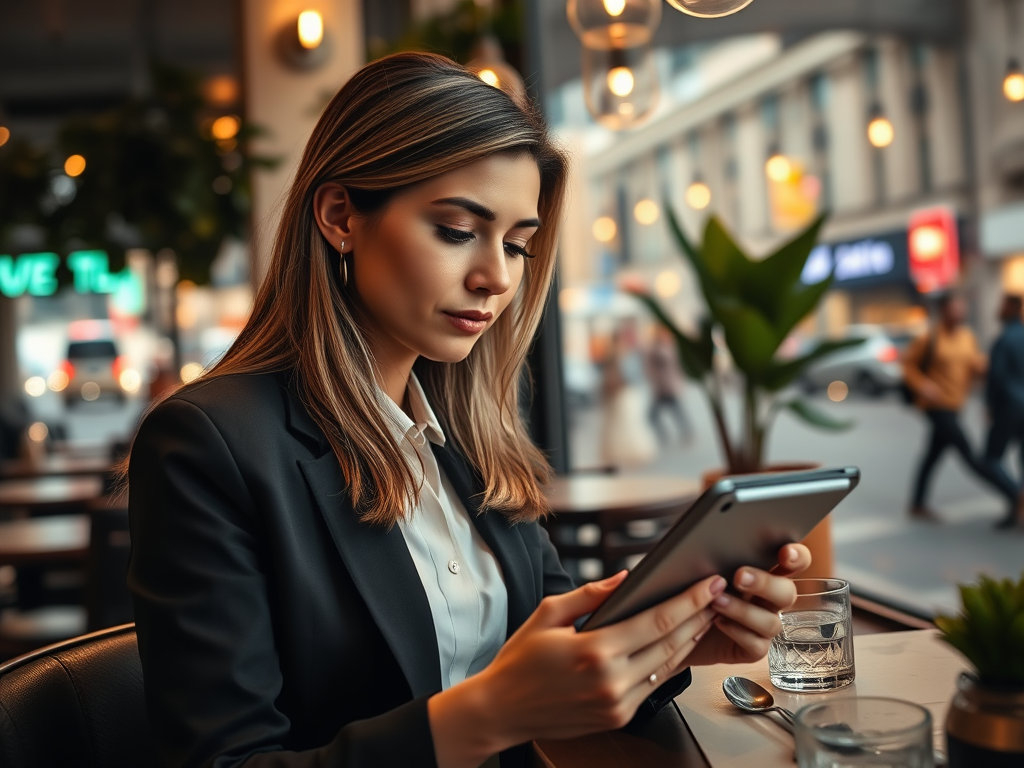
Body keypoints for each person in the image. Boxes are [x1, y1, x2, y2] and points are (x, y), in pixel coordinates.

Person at [126, 53, 810, 768]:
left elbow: (559, 664)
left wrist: (669, 641)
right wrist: (488, 714)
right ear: (339, 217)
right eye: (457, 231)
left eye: (518, 244)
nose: (497, 277)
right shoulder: (208, 446)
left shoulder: (470, 443)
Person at [903, 293, 992, 521]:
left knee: (933, 455)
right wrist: (923, 385)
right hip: (936, 405)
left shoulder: (967, 336)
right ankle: (1013, 493)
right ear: (943, 310)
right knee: (968, 452)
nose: (960, 312)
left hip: (955, 404)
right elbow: (908, 366)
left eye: (962, 308)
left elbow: (975, 364)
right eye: (955, 308)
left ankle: (917, 503)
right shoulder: (929, 337)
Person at [983, 294, 1024, 529]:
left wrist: (989, 405)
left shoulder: (1004, 340)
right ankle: (1017, 509)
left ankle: (1016, 494)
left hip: (1009, 406)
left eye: (1001, 304)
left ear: (1010, 307)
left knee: (990, 458)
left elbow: (995, 376)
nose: (997, 309)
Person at [646, 326, 692, 445]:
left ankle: (685, 432)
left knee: (676, 411)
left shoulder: (670, 347)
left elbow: (678, 366)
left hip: (669, 385)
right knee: (657, 415)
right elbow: (651, 368)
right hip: (662, 385)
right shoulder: (655, 348)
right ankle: (672, 434)